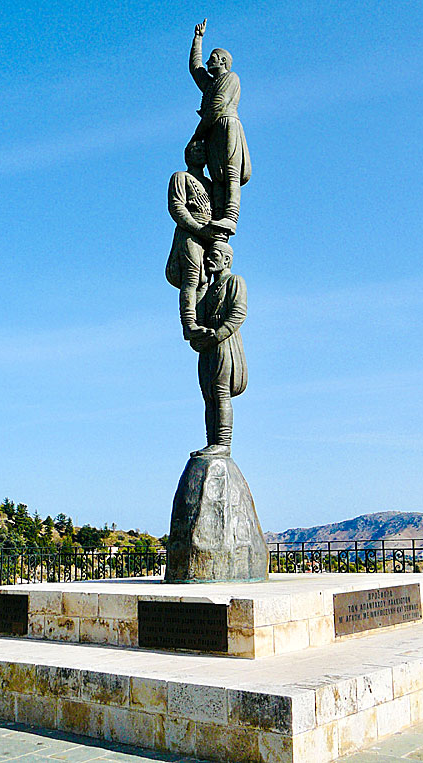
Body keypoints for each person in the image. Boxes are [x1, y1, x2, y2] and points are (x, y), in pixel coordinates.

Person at [188, 18, 251, 236]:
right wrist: (198, 39)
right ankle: (218, 215)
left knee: (231, 173)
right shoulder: (210, 84)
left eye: (213, 59)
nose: (208, 61)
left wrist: (198, 133)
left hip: (226, 125)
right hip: (213, 129)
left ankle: (230, 216)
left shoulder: (230, 78)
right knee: (216, 175)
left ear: (223, 61)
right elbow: (195, 68)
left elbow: (218, 105)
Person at [190, 241, 248, 457]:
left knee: (220, 391)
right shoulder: (209, 289)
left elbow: (238, 313)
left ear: (226, 260)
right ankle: (211, 442)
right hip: (208, 344)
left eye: (213, 255)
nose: (208, 259)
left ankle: (223, 443)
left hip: (224, 342)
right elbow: (198, 314)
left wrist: (219, 334)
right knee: (209, 394)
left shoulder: (235, 281)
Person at [165, 140, 216, 340]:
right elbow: (177, 207)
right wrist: (197, 228)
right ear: (188, 154)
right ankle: (189, 323)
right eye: (196, 150)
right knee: (192, 275)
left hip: (207, 236)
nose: (200, 153)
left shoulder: (209, 184)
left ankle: (201, 321)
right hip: (189, 233)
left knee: (205, 279)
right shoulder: (181, 177)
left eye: (203, 150)